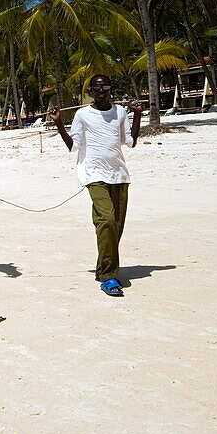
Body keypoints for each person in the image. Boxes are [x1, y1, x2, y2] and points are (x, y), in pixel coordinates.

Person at [49, 74, 142, 297]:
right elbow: (74, 146)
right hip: (93, 173)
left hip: (119, 174)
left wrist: (137, 114)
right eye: (97, 89)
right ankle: (109, 277)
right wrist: (59, 122)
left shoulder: (120, 112)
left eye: (105, 88)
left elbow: (131, 141)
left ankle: (102, 269)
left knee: (114, 226)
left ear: (110, 90)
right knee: (107, 220)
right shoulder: (82, 115)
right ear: (91, 92)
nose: (101, 92)